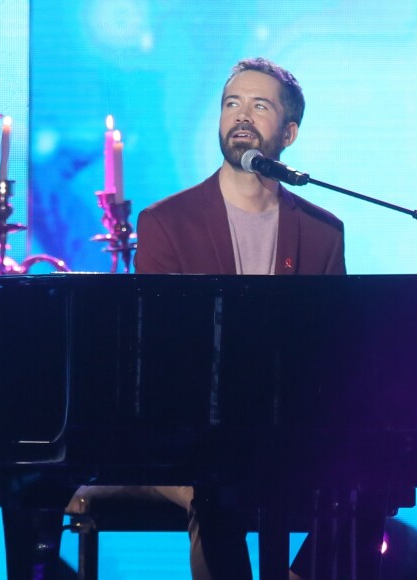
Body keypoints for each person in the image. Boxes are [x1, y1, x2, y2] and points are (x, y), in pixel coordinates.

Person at [134, 57, 348, 579]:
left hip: (286, 431)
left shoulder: (322, 232)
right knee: (218, 483)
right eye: (232, 103)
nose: (241, 116)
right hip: (185, 434)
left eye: (260, 105)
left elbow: (334, 351)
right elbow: (155, 356)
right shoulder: (166, 223)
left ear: (290, 132)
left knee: (362, 486)